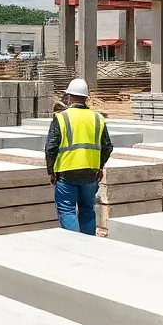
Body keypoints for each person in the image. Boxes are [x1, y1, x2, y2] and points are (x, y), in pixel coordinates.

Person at [45, 78, 112, 235]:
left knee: (67, 210)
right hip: (90, 173)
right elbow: (107, 146)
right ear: (86, 97)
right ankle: (88, 245)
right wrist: (100, 166)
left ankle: (74, 246)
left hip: (66, 173)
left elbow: (51, 148)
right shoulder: (98, 118)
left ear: (69, 97)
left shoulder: (61, 118)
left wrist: (51, 172)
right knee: (87, 210)